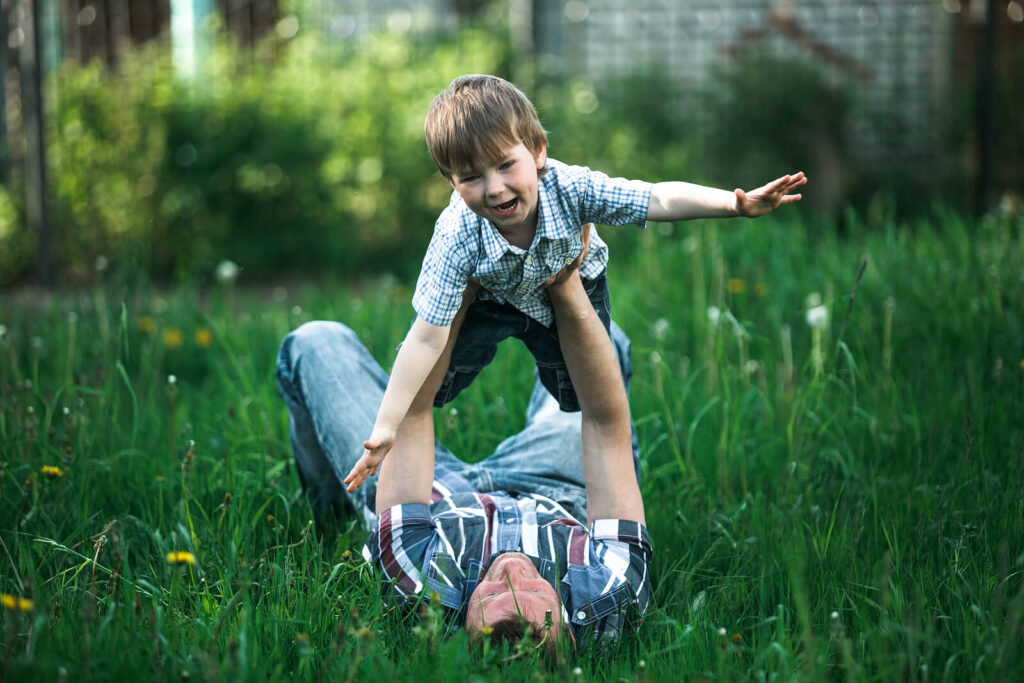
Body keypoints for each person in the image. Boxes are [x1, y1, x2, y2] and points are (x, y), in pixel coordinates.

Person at [344, 73, 806, 492]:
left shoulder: (572, 188)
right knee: (430, 385)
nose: (495, 188)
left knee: (587, 398)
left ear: (538, 151)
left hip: (573, 283)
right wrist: (387, 422)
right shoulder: (456, 233)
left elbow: (656, 197)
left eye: (506, 165)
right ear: (450, 181)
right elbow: (424, 337)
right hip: (489, 295)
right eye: (471, 177)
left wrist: (734, 204)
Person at [276, 262, 649, 649]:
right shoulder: (609, 592)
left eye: (489, 595)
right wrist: (565, 281)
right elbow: (606, 424)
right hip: (555, 486)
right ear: (570, 632)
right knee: (608, 339)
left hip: (433, 494)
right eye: (537, 592)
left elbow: (415, 412)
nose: (510, 569)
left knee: (314, 341)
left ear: (462, 626)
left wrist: (460, 286)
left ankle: (334, 516)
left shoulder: (420, 590)